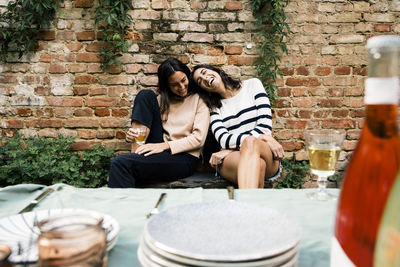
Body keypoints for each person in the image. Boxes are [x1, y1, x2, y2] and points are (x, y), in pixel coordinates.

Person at [108, 58, 210, 188]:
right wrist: (132, 136)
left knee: (121, 163)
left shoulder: (200, 100)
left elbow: (198, 139)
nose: (182, 87)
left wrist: (164, 146)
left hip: (184, 158)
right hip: (160, 150)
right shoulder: (161, 100)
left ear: (187, 75)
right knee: (145, 95)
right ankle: (137, 153)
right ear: (167, 85)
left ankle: (124, 203)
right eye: (174, 85)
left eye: (183, 80)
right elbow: (147, 124)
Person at [189, 65, 284, 189]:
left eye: (204, 72)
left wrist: (231, 149)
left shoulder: (253, 85)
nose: (205, 78)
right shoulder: (213, 107)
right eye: (200, 81)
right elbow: (224, 139)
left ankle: (241, 206)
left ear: (215, 71)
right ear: (202, 88)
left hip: (263, 152)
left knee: (250, 143)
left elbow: (264, 127)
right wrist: (265, 138)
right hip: (231, 160)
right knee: (258, 164)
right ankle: (250, 206)